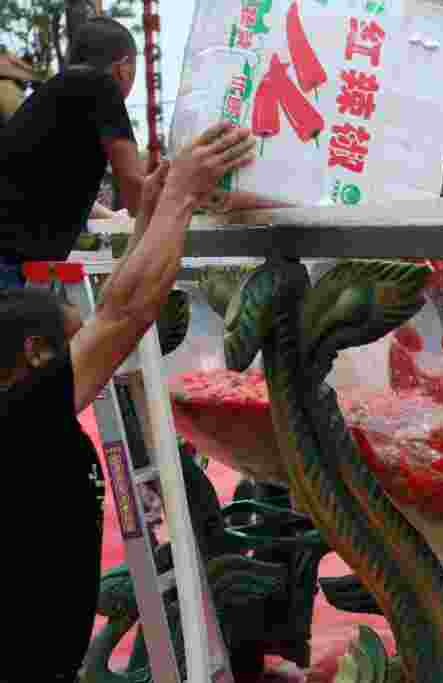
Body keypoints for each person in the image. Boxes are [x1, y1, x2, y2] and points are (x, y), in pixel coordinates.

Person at [0, 120, 256, 682]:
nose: (94, 349)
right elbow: (124, 314)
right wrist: (184, 198)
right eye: (76, 341)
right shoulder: (19, 420)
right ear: (35, 355)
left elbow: (115, 314)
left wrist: (150, 215)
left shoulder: (28, 402)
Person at [0, 16, 146, 291]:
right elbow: (135, 183)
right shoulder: (102, 86)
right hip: (7, 260)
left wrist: (111, 218)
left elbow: (50, 181)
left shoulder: (57, 93)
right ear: (124, 68)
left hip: (12, 258)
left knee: (68, 324)